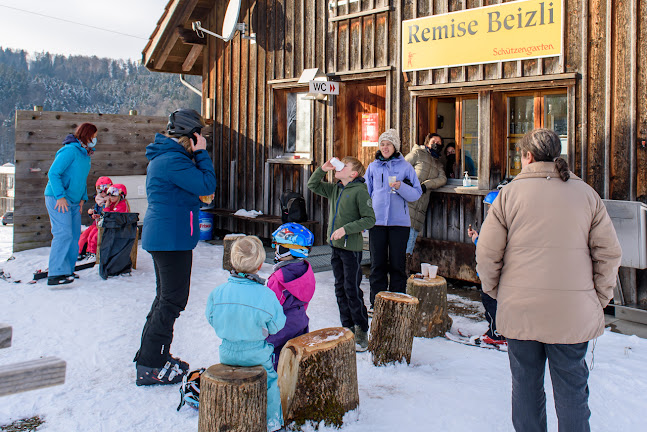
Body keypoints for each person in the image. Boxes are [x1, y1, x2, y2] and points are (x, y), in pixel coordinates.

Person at [475, 128, 622, 432]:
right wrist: (598, 298)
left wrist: (495, 292)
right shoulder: (585, 194)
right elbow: (609, 253)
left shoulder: (509, 194)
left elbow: (487, 254)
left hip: (521, 308)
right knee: (572, 392)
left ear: (526, 156)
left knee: (526, 388)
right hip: (572, 313)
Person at [134, 109, 216, 386]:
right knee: (171, 301)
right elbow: (207, 183)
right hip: (171, 238)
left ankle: (151, 357)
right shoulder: (173, 161)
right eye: (200, 136)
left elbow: (189, 192)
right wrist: (202, 154)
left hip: (170, 235)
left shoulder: (170, 159)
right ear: (192, 137)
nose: (203, 140)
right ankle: (151, 365)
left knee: (165, 299)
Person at [205, 236, 286, 432]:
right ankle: (273, 423)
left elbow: (211, 317)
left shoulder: (219, 292)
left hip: (227, 352)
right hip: (256, 353)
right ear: (259, 265)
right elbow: (277, 324)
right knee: (270, 383)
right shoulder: (266, 295)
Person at [307, 156, 376, 351]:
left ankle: (361, 331)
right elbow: (312, 184)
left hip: (351, 250)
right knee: (339, 289)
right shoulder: (335, 189)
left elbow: (370, 219)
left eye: (345, 165)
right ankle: (347, 328)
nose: (340, 166)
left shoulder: (360, 192)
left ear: (353, 174)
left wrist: (346, 229)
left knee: (351, 290)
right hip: (336, 247)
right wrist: (323, 168)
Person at [365, 129, 422, 311]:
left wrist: (401, 187)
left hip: (400, 224)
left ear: (395, 146)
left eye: (388, 144)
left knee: (397, 265)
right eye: (382, 144)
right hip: (377, 223)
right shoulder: (373, 167)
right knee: (377, 264)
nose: (384, 147)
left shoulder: (405, 167)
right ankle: (377, 303)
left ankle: (397, 301)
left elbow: (416, 193)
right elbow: (366, 193)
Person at [44, 122, 97, 286]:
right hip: (58, 199)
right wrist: (60, 196)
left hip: (74, 201)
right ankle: (55, 274)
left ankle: (67, 269)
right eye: (94, 136)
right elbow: (53, 173)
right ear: (86, 135)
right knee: (63, 234)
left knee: (74, 235)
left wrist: (82, 199)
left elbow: (80, 180)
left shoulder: (85, 154)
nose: (95, 139)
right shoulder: (69, 151)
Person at [266, 222, 316, 370]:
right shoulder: (306, 270)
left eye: (280, 247)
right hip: (300, 321)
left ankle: (276, 386)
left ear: (292, 250)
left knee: (276, 359)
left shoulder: (279, 278)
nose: (276, 250)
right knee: (294, 357)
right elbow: (305, 297)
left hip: (280, 327)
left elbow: (270, 307)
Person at [466, 190, 506, 347]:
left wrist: (477, 240)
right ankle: (493, 329)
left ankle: (497, 333)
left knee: (491, 302)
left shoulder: (498, 224)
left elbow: (489, 247)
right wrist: (477, 236)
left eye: (491, 206)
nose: (488, 210)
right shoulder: (494, 222)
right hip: (489, 271)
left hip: (492, 272)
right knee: (491, 304)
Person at [404, 133, 447, 263]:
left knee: (409, 244)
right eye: (434, 141)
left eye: (439, 143)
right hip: (406, 204)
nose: (436, 144)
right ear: (427, 142)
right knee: (399, 242)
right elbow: (401, 168)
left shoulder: (438, 164)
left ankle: (404, 273)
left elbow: (443, 179)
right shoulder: (417, 153)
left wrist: (426, 185)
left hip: (420, 207)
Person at [78, 176, 112, 260]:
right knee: (85, 235)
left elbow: (109, 214)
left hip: (103, 225)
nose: (103, 192)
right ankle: (79, 252)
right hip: (96, 223)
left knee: (93, 236)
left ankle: (92, 252)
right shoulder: (98, 200)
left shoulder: (111, 200)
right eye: (100, 189)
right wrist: (92, 213)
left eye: (105, 189)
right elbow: (96, 211)